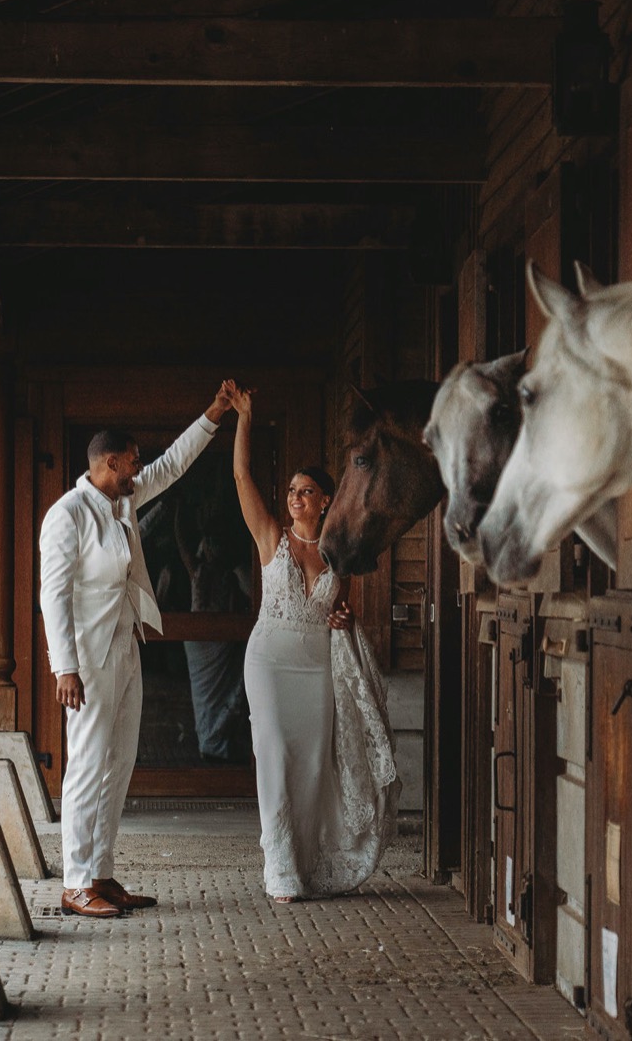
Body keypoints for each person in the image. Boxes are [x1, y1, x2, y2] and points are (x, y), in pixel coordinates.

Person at [38, 382, 236, 919]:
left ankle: (101, 874)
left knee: (119, 763)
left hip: (126, 648)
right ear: (109, 463)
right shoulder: (68, 514)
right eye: (132, 461)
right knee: (86, 766)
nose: (138, 468)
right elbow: (52, 594)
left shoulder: (121, 500)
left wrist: (214, 413)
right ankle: (75, 883)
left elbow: (172, 465)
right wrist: (65, 668)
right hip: (88, 660)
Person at [230, 384, 400, 902]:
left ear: (326, 501)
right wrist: (244, 419)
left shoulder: (338, 556)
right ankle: (280, 867)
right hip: (269, 660)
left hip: (316, 667)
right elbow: (241, 475)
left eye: (305, 491)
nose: (295, 498)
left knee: (310, 766)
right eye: (291, 491)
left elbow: (338, 613)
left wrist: (346, 619)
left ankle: (306, 862)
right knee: (275, 753)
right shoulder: (271, 537)